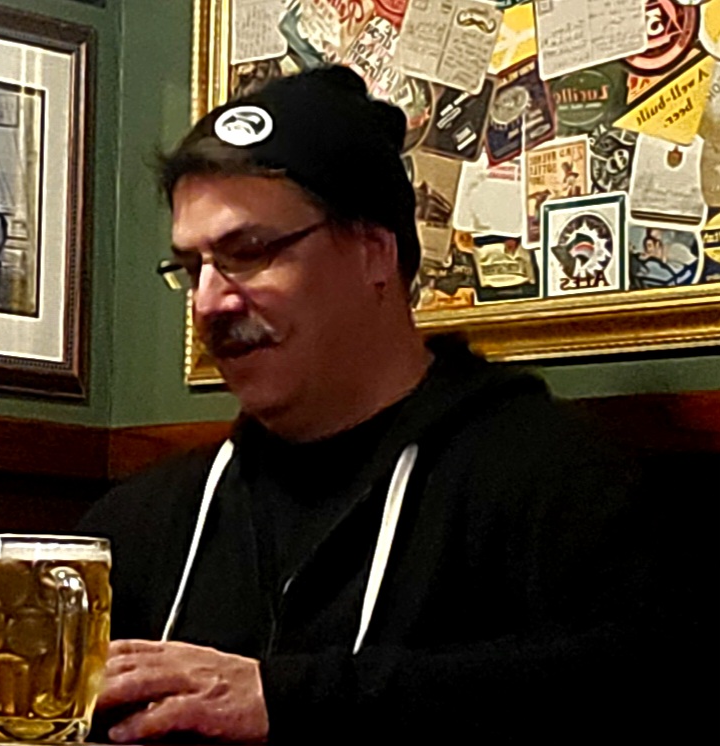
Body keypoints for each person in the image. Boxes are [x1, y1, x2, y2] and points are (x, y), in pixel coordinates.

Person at [77, 66, 676, 741]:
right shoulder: (147, 523)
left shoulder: (549, 480)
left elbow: (634, 686)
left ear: (374, 251)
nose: (209, 302)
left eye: (248, 253)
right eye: (192, 269)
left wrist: (287, 699)